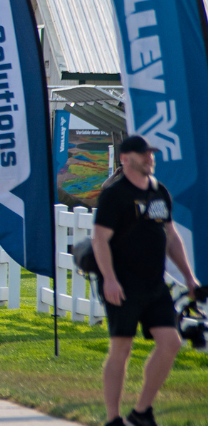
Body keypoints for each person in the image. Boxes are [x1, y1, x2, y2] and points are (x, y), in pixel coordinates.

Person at [93, 136, 201, 426]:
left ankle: (142, 412)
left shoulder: (159, 192)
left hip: (155, 284)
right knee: (122, 348)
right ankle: (113, 418)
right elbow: (100, 239)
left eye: (151, 154)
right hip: (122, 284)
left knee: (171, 343)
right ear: (126, 159)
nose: (150, 158)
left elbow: (170, 236)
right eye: (143, 154)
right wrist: (110, 280)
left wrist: (189, 277)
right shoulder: (114, 195)